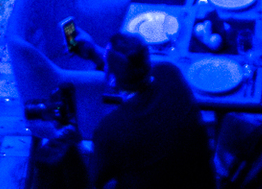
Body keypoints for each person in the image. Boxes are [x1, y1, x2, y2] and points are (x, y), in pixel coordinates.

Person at [91, 32, 215, 189]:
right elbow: (136, 68)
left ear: (112, 79)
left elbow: (93, 181)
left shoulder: (110, 129)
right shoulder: (170, 74)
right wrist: (94, 52)